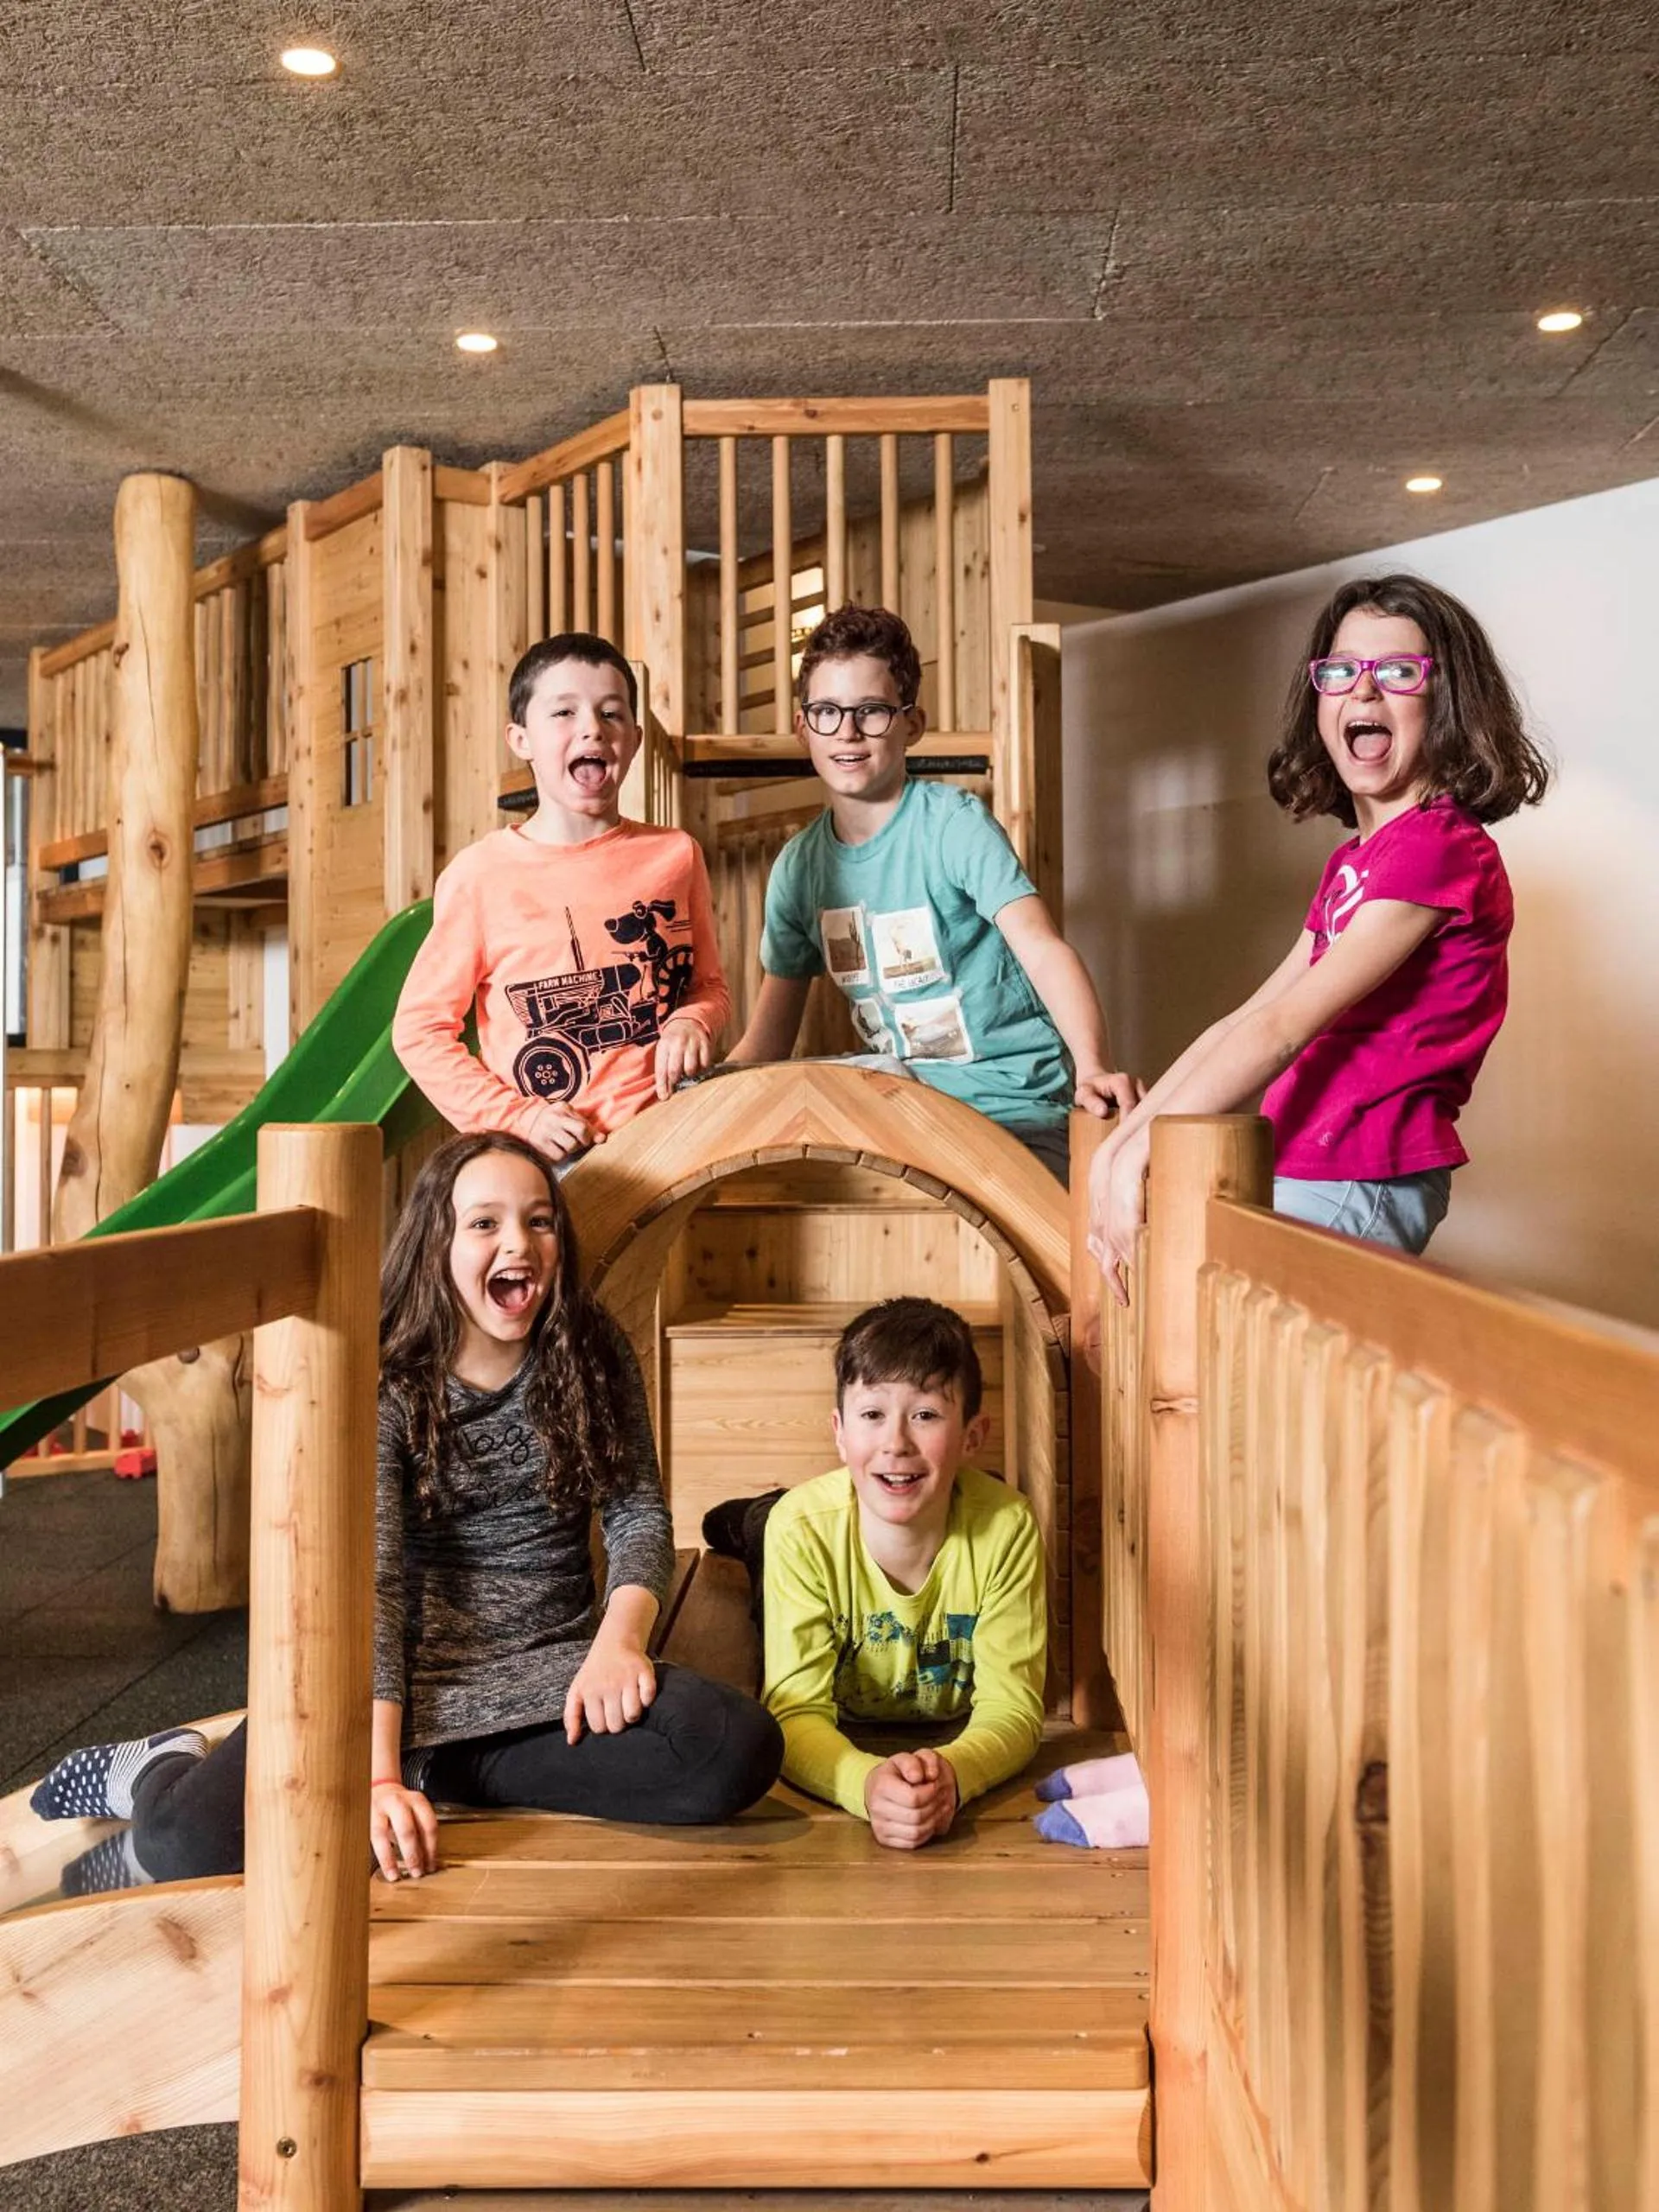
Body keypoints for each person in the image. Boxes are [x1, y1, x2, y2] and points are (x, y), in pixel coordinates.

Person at [30, 1133, 783, 1892]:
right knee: (184, 1844)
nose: (518, 1243)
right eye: (484, 1223)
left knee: (731, 1747)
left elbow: (637, 1512)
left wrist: (619, 1644)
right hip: (394, 1682)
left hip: (552, 1672)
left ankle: (441, 1768)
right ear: (436, 1243)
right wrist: (375, 1778)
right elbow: (376, 1589)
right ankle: (164, 1761)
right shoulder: (386, 1377)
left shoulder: (590, 1347)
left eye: (540, 1221)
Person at [1089, 573, 1550, 1298]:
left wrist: (1143, 1147)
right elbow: (1246, 1017)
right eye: (1340, 671)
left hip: (1360, 1174)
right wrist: (1120, 1146)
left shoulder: (1438, 847)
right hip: (1308, 1159)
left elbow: (1283, 1030)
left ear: (1449, 700)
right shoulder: (1356, 863)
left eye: (1397, 671)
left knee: (1242, 1350)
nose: (1363, 690)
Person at [721, 604, 1137, 1182]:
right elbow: (769, 1037)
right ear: (802, 727)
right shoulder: (799, 867)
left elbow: (1042, 949)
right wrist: (710, 1094)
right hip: (904, 1105)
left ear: (911, 725)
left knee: (851, 1081)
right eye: (827, 712)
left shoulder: (952, 825)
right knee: (807, 1088)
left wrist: (1093, 1066)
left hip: (1009, 1100)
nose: (847, 731)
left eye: (871, 711)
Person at [702, 1297, 1046, 1851]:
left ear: (972, 1436)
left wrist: (951, 1776)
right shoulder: (803, 1531)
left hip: (918, 1507)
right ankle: (754, 1515)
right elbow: (795, 1712)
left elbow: (1014, 1709)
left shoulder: (1008, 1528)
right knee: (765, 1527)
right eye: (872, 1415)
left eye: (926, 1415)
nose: (896, 1442)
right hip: (805, 1531)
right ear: (839, 1434)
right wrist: (864, 1783)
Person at [393, 632, 730, 1167]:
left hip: (670, 1141)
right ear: (521, 739)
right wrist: (518, 1119)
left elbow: (707, 987)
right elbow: (420, 1030)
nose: (592, 727)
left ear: (635, 739)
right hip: (547, 1158)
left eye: (611, 713)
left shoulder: (677, 855)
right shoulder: (480, 875)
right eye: (564, 712)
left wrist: (694, 1021)